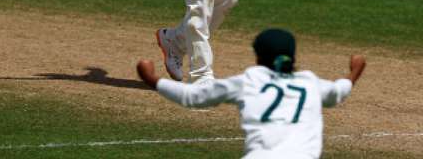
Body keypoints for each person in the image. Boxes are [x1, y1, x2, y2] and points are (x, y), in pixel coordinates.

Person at [137, 28, 367, 159]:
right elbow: (340, 91)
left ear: (258, 57)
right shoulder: (310, 83)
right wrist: (355, 70)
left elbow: (193, 97)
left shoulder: (249, 81)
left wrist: (153, 80)